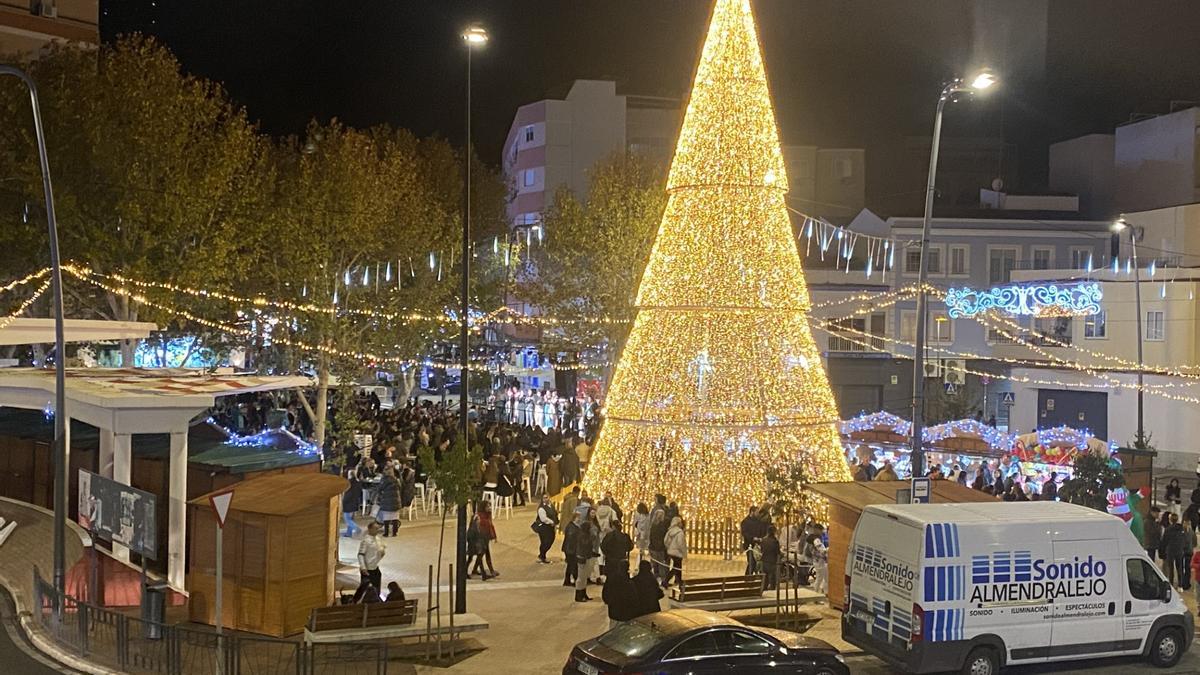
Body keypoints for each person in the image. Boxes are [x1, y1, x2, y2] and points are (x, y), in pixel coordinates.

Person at [353, 522, 385, 602]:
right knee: (363, 588)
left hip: (375, 567)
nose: (377, 530)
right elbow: (360, 555)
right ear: (370, 529)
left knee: (376, 587)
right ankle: (355, 601)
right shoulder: (365, 541)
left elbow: (380, 551)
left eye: (378, 528)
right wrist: (363, 567)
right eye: (375, 528)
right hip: (367, 569)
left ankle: (376, 601)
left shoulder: (378, 539)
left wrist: (382, 553)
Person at [575, 508, 600, 602]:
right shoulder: (583, 536)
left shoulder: (585, 535)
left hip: (586, 557)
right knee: (581, 577)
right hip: (582, 558)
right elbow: (585, 546)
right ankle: (579, 595)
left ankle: (584, 593)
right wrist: (592, 537)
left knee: (584, 577)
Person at [1162, 513, 1188, 587]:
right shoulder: (1182, 529)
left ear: (1170, 520)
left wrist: (1162, 550)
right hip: (1179, 551)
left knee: (1171, 568)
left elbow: (1164, 541)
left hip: (1170, 551)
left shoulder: (1167, 529)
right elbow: (1185, 540)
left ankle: (1171, 584)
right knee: (1179, 568)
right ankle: (1180, 585)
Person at [375, 467, 401, 537]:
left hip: (386, 501)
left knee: (386, 517)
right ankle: (394, 533)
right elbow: (400, 487)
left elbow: (379, 489)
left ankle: (386, 533)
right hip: (395, 501)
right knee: (395, 517)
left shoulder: (384, 480)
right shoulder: (396, 480)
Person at [663, 516, 687, 588]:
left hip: (671, 551)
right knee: (677, 568)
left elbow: (665, 541)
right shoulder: (680, 532)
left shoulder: (670, 531)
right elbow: (681, 544)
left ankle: (679, 582)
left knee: (676, 567)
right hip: (678, 553)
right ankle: (667, 581)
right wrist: (684, 553)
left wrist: (669, 547)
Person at [534, 494, 558, 563]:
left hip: (551, 527)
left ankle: (542, 555)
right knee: (545, 542)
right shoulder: (541, 508)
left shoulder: (551, 505)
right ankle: (542, 556)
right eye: (544, 498)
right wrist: (551, 522)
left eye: (547, 497)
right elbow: (543, 519)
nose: (546, 499)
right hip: (544, 527)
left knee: (550, 540)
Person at [740, 506, 762, 575]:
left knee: (755, 563)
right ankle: (748, 578)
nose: (758, 514)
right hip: (749, 545)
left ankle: (750, 578)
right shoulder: (745, 522)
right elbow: (745, 533)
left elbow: (760, 531)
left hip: (757, 545)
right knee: (752, 562)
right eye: (756, 512)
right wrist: (752, 538)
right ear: (752, 512)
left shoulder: (758, 521)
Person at [648, 510, 669, 583]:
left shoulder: (653, 525)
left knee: (655, 565)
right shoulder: (662, 526)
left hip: (653, 547)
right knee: (661, 565)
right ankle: (663, 580)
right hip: (659, 548)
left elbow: (651, 537)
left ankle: (655, 578)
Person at [342, 467, 363, 537]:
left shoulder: (349, 483)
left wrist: (343, 502)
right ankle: (349, 533)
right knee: (350, 518)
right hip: (355, 502)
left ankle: (357, 528)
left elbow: (348, 495)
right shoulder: (358, 482)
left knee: (347, 519)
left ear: (350, 475)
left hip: (349, 503)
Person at [760, 525, 781, 590]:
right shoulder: (775, 541)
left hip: (764, 560)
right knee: (772, 576)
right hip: (772, 560)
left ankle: (764, 587)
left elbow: (762, 550)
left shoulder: (763, 540)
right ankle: (772, 588)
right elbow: (778, 552)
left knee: (765, 576)